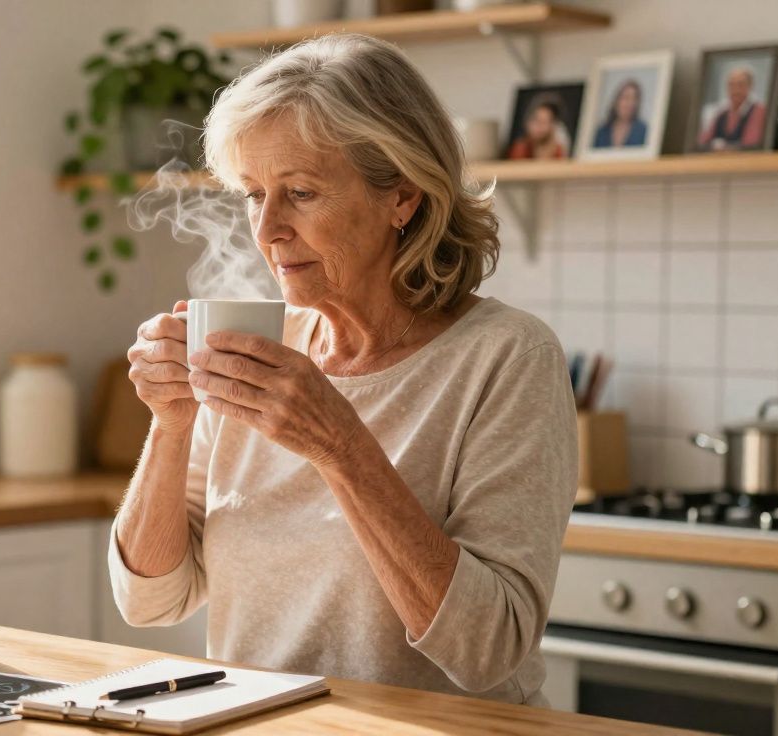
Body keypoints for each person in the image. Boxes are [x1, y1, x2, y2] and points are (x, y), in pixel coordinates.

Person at [111, 33, 577, 707]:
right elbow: (150, 598)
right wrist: (172, 423)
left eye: (300, 192)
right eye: (252, 194)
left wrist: (340, 445)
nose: (268, 229)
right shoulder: (259, 346)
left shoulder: (507, 357)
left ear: (404, 197)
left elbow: (489, 649)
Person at [697, 66, 767, 151]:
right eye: (731, 85)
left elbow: (750, 144)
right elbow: (702, 142)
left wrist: (721, 147)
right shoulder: (721, 114)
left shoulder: (758, 111)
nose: (735, 90)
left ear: (750, 86)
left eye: (740, 85)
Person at [592, 79, 647, 148]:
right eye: (626, 98)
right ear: (617, 101)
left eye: (634, 99)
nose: (630, 103)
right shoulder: (602, 132)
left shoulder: (643, 130)